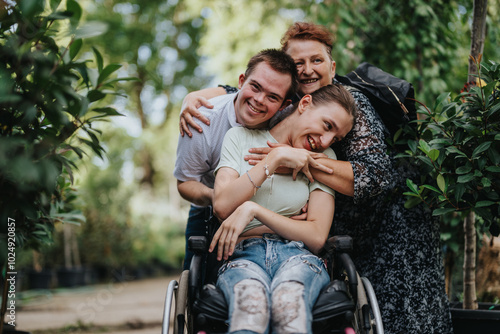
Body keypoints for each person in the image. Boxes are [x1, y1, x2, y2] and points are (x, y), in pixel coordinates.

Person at [179, 22, 453, 334]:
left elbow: (375, 176)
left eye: (317, 60)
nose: (308, 70)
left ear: (332, 66)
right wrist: (200, 95)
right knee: (249, 303)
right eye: (298, 63)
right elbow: (252, 88)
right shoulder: (272, 115)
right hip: (248, 253)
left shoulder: (348, 106)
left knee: (293, 301)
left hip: (379, 229)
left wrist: (299, 161)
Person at [211, 84, 356, 333]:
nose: (325, 141)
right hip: (243, 257)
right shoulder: (239, 138)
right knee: (251, 308)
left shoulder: (324, 158)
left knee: (288, 304)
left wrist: (252, 211)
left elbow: (316, 236)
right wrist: (274, 159)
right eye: (327, 126)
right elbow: (223, 206)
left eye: (335, 138)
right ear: (304, 104)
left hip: (298, 257)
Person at [174, 48, 332, 271]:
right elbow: (185, 183)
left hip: (270, 213)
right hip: (208, 204)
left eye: (272, 97)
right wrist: (222, 196)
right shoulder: (201, 121)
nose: (259, 100)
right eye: (255, 87)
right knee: (198, 277)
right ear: (241, 81)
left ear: (284, 105)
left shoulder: (284, 119)